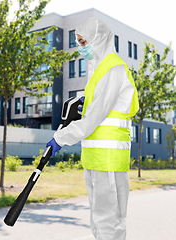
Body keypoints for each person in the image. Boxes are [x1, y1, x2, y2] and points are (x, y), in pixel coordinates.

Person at [46, 17, 139, 240]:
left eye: (83, 41)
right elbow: (95, 108)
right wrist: (83, 100)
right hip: (96, 159)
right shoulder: (99, 70)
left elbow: (93, 119)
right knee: (99, 221)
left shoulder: (114, 69)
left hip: (108, 159)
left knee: (109, 222)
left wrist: (60, 137)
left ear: (97, 40)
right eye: (78, 42)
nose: (80, 47)